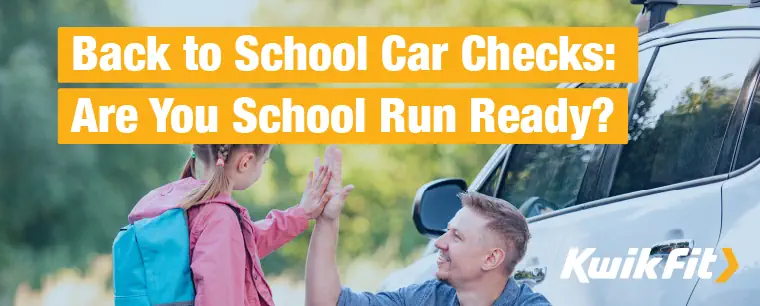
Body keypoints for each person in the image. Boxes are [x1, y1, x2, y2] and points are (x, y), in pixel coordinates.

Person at [305, 157, 552, 306]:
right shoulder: (429, 297)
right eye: (447, 231)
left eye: (457, 236)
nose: (439, 243)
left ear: (491, 259)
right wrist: (327, 221)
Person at [127, 144, 334, 306]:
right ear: (245, 162)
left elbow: (245, 246)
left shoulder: (174, 202)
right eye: (264, 162)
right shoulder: (218, 218)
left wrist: (301, 213)